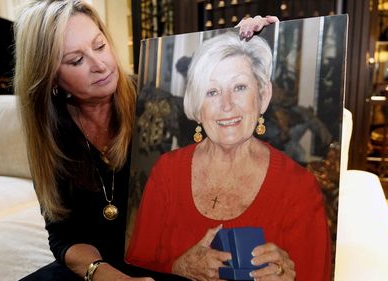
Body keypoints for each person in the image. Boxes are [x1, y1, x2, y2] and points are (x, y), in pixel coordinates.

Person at [13, 0, 278, 280]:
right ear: (51, 78)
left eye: (100, 46)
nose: (100, 64)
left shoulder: (156, 102)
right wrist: (105, 275)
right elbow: (64, 235)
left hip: (168, 262)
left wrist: (240, 44)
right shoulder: (51, 132)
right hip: (98, 268)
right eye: (76, 60)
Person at [126, 32, 331, 281]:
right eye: (212, 92)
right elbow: (136, 269)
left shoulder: (299, 187)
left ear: (263, 96)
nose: (227, 105)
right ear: (196, 105)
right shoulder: (167, 172)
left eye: (240, 87)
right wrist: (178, 268)